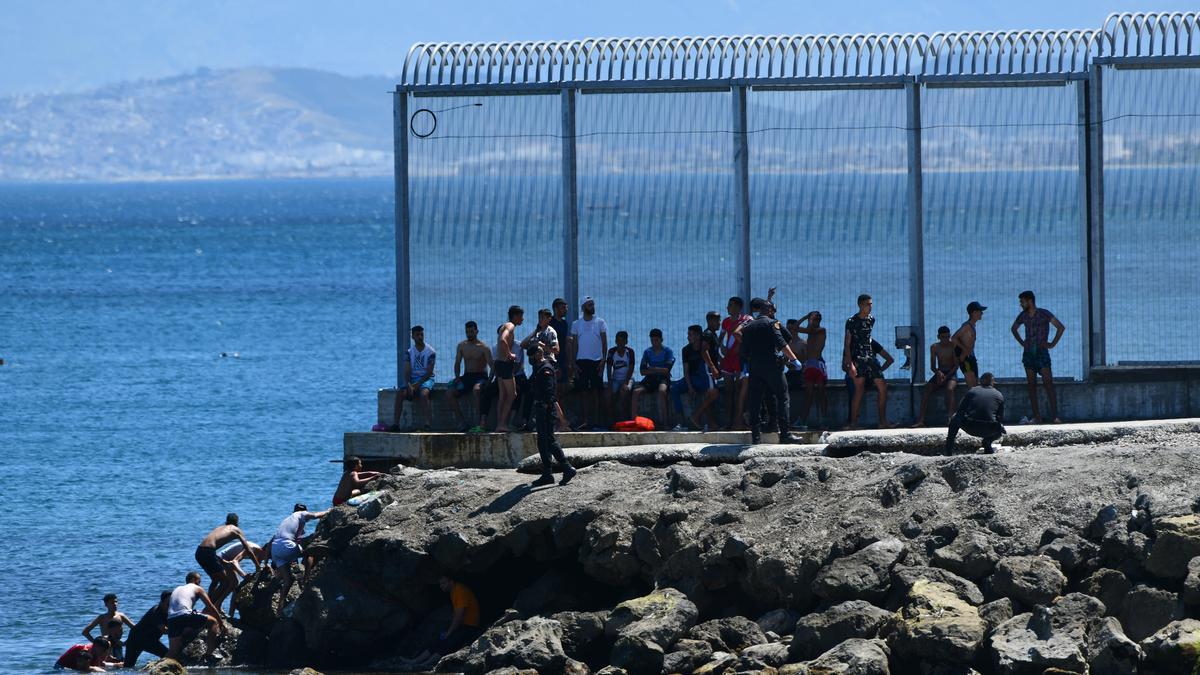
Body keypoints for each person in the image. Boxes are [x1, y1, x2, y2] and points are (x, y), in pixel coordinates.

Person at [740, 298, 802, 444]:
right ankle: (785, 434)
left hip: (755, 368)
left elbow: (743, 351)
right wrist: (793, 360)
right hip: (773, 367)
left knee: (755, 401)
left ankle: (756, 436)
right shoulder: (773, 323)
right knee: (783, 398)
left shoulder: (748, 327)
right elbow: (784, 341)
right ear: (769, 311)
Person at [1011, 290, 1065, 424]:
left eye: (1022, 302)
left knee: (1048, 383)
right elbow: (1013, 329)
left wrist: (1052, 344)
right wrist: (1023, 342)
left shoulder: (1044, 314)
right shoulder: (1023, 316)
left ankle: (1055, 416)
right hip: (1029, 353)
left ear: (1030, 301)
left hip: (1042, 352)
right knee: (1031, 385)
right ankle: (1037, 416)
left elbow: (1060, 327)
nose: (1021, 304)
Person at [527, 343, 577, 486]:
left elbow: (549, 392)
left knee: (549, 439)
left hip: (546, 409)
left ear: (538, 354)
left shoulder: (545, 369)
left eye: (533, 356)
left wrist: (545, 406)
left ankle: (567, 467)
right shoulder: (538, 368)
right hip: (541, 408)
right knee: (542, 441)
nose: (531, 359)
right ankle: (547, 473)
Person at [844, 294, 895, 430]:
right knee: (859, 389)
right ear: (860, 305)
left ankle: (882, 422)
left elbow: (869, 337)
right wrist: (850, 365)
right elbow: (847, 343)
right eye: (868, 304)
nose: (870, 307)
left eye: (871, 304)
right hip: (858, 357)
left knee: (882, 387)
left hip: (871, 357)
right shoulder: (851, 321)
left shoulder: (871, 319)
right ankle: (853, 423)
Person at [195, 513, 259, 610]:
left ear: (226, 521)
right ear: (237, 522)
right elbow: (248, 550)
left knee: (215, 580)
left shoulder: (220, 528)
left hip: (199, 552)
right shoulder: (236, 530)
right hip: (208, 552)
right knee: (226, 582)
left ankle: (211, 606)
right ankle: (209, 608)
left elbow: (210, 546)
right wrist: (257, 566)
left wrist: (222, 560)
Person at [671, 325, 720, 430]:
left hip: (702, 378)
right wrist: (690, 387)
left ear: (698, 336)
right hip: (691, 379)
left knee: (711, 393)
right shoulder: (686, 350)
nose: (688, 337)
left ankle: (706, 420)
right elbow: (686, 371)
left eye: (690, 335)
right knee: (674, 389)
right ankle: (680, 421)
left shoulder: (704, 348)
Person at [165, 572, 223, 660]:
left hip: (171, 619)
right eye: (199, 581)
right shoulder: (197, 588)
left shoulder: (177, 588)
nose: (200, 583)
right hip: (184, 615)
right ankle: (209, 654)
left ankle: (158, 666)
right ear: (193, 579)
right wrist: (221, 623)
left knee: (173, 651)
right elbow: (210, 606)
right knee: (213, 622)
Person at [570, 296, 608, 430]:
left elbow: (604, 342)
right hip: (581, 362)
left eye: (593, 304)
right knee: (583, 392)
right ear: (584, 307)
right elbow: (574, 344)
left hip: (596, 361)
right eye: (590, 305)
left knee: (597, 392)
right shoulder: (576, 324)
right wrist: (574, 363)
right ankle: (585, 421)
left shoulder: (600, 322)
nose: (592, 307)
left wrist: (603, 360)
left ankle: (597, 421)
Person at [945, 372, 1007, 453]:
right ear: (993, 383)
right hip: (989, 430)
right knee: (1000, 428)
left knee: (955, 418)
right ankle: (987, 442)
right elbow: (1000, 418)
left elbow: (960, 410)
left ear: (980, 381)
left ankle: (948, 449)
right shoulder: (999, 395)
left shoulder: (972, 391)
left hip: (971, 427)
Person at [912, 325, 960, 427]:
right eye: (943, 337)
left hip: (951, 373)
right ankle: (920, 420)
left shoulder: (953, 346)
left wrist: (946, 377)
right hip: (940, 372)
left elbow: (956, 365)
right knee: (926, 390)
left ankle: (951, 418)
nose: (945, 339)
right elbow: (933, 366)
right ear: (938, 337)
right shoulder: (934, 347)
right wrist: (938, 373)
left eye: (947, 337)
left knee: (950, 389)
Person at [449, 321, 492, 431]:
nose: (469, 334)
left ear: (476, 331)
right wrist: (457, 377)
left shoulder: (484, 347)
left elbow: (492, 366)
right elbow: (457, 363)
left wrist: (489, 381)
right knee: (449, 393)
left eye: (471, 331)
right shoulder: (462, 346)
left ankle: (480, 424)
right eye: (467, 332)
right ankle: (462, 422)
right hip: (467, 376)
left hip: (481, 377)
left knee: (476, 390)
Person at [393, 325, 436, 431]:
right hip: (412, 379)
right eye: (417, 335)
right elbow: (407, 369)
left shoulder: (431, 352)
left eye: (421, 334)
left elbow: (429, 372)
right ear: (412, 336)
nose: (420, 337)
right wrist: (408, 384)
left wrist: (418, 384)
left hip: (426, 378)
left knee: (424, 394)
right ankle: (396, 425)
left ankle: (427, 424)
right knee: (400, 394)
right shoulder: (409, 352)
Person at [718, 297, 750, 430]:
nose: (728, 307)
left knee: (739, 390)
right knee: (728, 391)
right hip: (728, 360)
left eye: (730, 305)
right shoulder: (725, 322)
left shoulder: (745, 320)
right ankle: (728, 422)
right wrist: (721, 347)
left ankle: (739, 420)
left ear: (738, 307)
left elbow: (747, 339)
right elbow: (721, 337)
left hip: (739, 360)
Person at [632, 328, 675, 430]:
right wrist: (659, 369)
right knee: (635, 392)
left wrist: (651, 368)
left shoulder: (668, 351)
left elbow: (667, 370)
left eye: (656, 340)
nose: (654, 342)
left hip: (663, 379)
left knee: (662, 391)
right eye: (652, 340)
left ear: (661, 339)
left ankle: (665, 422)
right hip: (650, 379)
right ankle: (634, 420)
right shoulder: (647, 352)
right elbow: (642, 371)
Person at [794, 311, 828, 428]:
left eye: (816, 319)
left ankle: (823, 419)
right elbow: (795, 327)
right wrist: (806, 316)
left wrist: (809, 320)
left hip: (818, 364)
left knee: (821, 393)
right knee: (808, 394)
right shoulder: (810, 332)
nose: (814, 321)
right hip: (809, 364)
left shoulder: (821, 330)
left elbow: (807, 330)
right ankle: (803, 420)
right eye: (813, 319)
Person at [494, 306, 524, 433]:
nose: (523, 319)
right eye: (521, 316)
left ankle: (499, 424)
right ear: (515, 316)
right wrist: (510, 354)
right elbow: (502, 340)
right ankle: (502, 424)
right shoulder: (510, 326)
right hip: (506, 364)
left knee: (503, 396)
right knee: (512, 394)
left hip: (499, 364)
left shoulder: (504, 326)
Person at [121, 592, 170, 668]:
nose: (170, 606)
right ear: (161, 602)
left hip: (151, 640)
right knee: (128, 666)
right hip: (135, 640)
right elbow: (164, 630)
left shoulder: (168, 611)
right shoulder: (156, 612)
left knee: (168, 656)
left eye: (172, 603)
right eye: (168, 604)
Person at [549, 298, 573, 430]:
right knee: (554, 391)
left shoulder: (564, 324)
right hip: (553, 361)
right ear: (556, 308)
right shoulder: (550, 322)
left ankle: (559, 418)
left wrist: (569, 362)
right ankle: (558, 420)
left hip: (563, 360)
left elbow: (566, 343)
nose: (566, 310)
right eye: (563, 307)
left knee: (564, 389)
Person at [953, 301, 986, 388]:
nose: (982, 313)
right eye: (980, 311)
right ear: (974, 313)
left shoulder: (972, 325)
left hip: (971, 357)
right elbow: (954, 338)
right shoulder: (967, 326)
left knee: (975, 385)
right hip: (966, 359)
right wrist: (964, 349)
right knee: (972, 386)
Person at [606, 331, 636, 422]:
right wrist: (610, 383)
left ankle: (624, 419)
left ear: (626, 342)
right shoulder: (611, 352)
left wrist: (625, 382)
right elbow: (608, 368)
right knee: (608, 395)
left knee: (624, 392)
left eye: (622, 341)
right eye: (618, 341)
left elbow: (631, 368)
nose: (620, 343)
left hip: (628, 378)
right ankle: (610, 420)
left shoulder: (630, 352)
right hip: (615, 379)